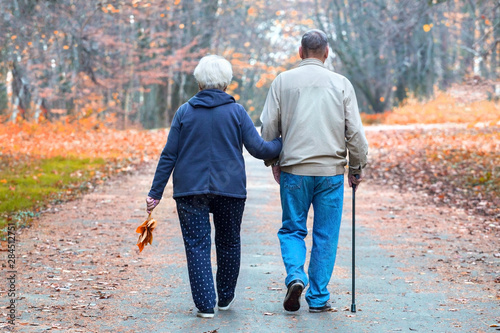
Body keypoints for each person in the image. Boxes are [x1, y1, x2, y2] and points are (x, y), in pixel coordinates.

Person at [146, 55, 282, 318]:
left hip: (190, 190)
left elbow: (169, 155)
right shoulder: (237, 112)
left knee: (197, 244)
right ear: (226, 83)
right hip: (229, 188)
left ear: (199, 82)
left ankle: (205, 305)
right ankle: (225, 298)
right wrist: (282, 143)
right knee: (229, 242)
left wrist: (155, 192)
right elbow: (260, 149)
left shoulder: (185, 112)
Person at [260, 29, 368, 313]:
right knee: (325, 234)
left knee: (293, 229)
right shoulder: (341, 83)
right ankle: (318, 298)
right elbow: (354, 131)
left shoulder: (282, 82)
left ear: (300, 52)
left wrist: (274, 161)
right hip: (330, 173)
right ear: (327, 52)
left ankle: (296, 276)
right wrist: (356, 167)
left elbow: (269, 127)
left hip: (294, 171)